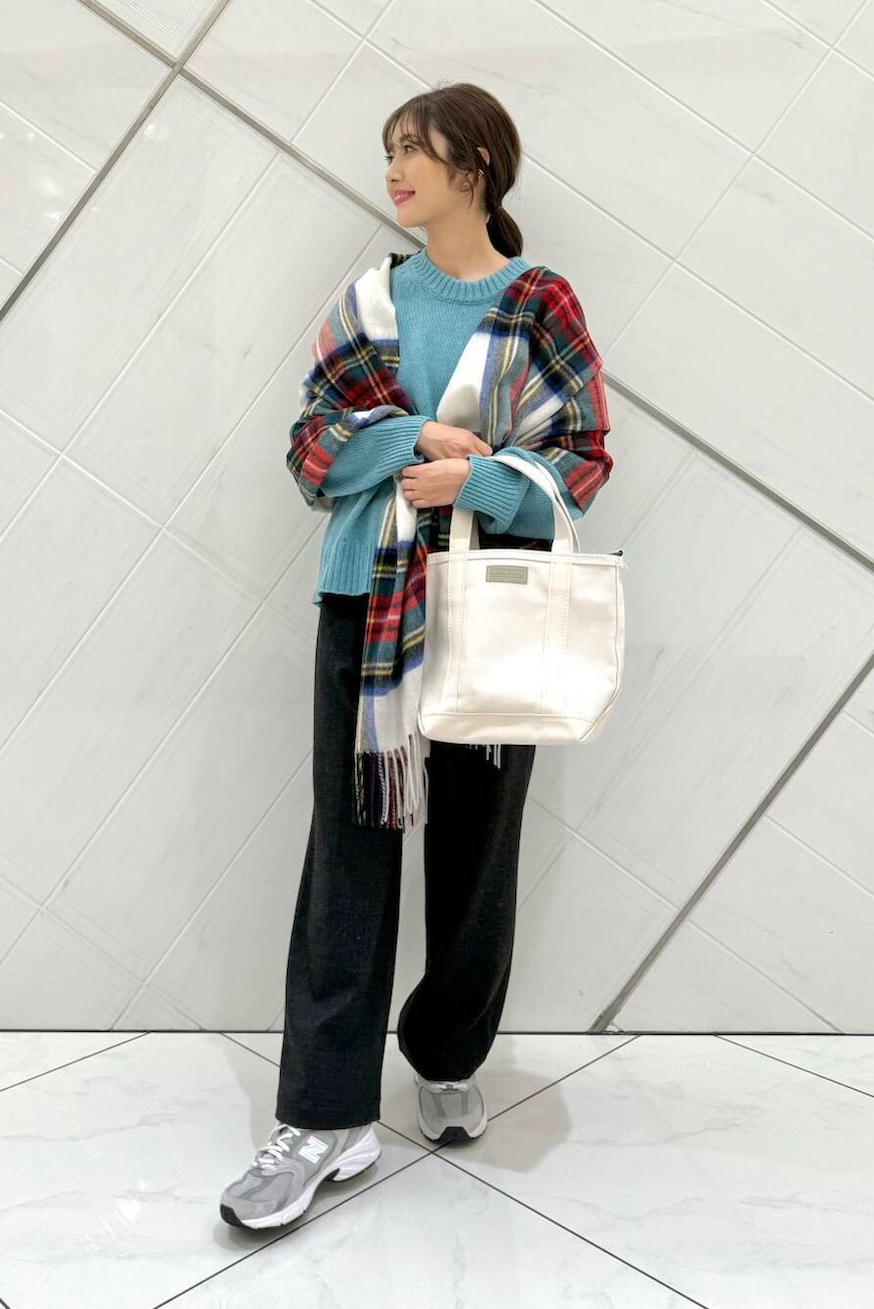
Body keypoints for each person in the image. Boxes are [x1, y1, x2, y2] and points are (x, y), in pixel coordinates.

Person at [220, 81, 612, 1232]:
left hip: (492, 610)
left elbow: (582, 454)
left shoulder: (538, 300)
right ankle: (324, 1116)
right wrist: (410, 438)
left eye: (413, 151)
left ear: (475, 164)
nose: (393, 170)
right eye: (389, 150)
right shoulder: (367, 300)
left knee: (479, 852)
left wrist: (476, 481)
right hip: (368, 602)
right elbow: (310, 446)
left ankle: (446, 1055)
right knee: (348, 856)